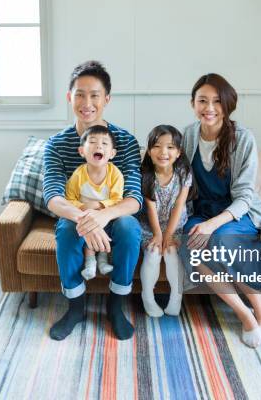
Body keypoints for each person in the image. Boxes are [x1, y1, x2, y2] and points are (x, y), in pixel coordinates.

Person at [43, 61, 142, 341]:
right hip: (76, 217)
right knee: (65, 228)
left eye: (95, 95)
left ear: (106, 99)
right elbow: (53, 196)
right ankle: (75, 308)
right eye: (80, 94)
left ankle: (116, 306)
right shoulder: (56, 144)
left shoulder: (124, 141)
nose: (87, 103)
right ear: (69, 97)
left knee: (128, 227)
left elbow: (133, 198)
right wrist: (86, 220)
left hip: (113, 217)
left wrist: (102, 216)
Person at [181, 73, 261, 348]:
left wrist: (213, 224)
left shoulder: (244, 139)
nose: (209, 108)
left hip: (237, 213)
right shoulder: (188, 135)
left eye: (216, 101)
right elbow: (179, 182)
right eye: (202, 100)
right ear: (192, 104)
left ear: (227, 105)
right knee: (190, 245)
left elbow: (246, 196)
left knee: (222, 240)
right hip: (200, 211)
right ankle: (244, 315)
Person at [138, 125, 193, 317]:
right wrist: (158, 235)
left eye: (170, 147)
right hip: (149, 226)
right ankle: (148, 298)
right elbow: (150, 207)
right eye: (157, 146)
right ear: (149, 150)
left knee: (171, 252)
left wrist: (168, 235)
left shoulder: (184, 173)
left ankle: (176, 298)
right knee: (153, 252)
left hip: (175, 224)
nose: (163, 152)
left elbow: (179, 205)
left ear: (178, 152)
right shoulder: (145, 175)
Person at [64, 125, 123, 279]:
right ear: (82, 151)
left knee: (106, 232)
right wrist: (84, 208)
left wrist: (98, 206)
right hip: (84, 216)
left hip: (105, 216)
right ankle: (90, 263)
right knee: (87, 230)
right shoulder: (78, 175)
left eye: (104, 143)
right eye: (92, 142)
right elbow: (69, 198)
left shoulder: (115, 174)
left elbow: (117, 199)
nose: (98, 146)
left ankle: (102, 261)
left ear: (112, 153)